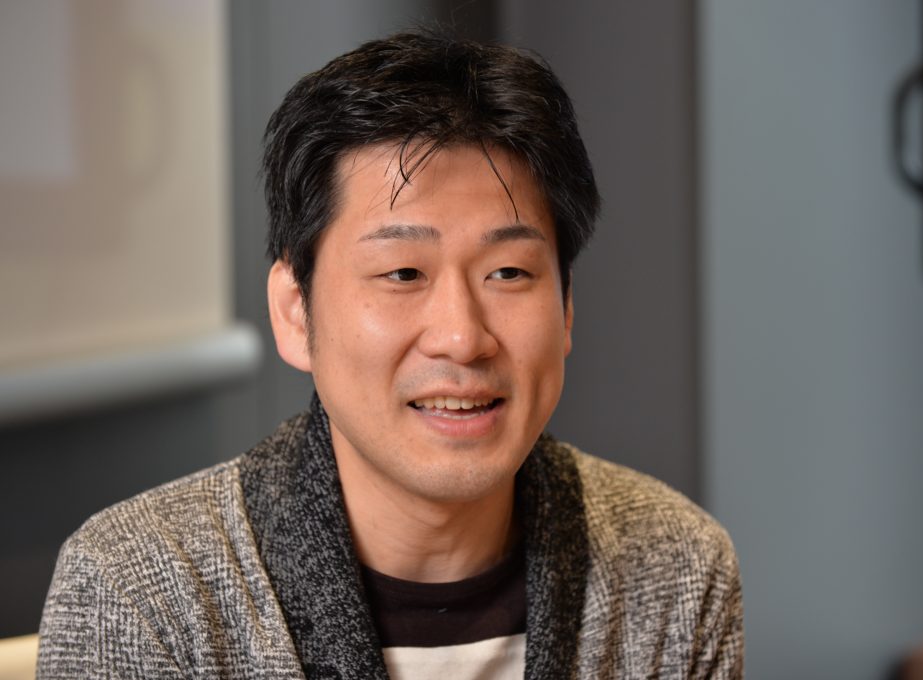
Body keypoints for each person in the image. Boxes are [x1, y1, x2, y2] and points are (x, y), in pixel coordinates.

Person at [36, 32, 743, 679]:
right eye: (403, 273)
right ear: (295, 311)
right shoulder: (141, 592)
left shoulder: (673, 566)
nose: (462, 337)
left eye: (509, 273)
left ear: (565, 308)